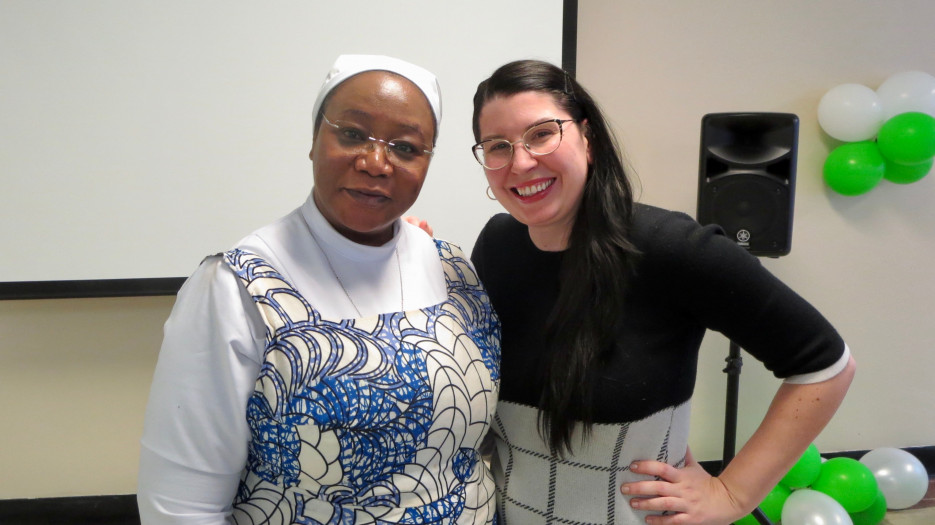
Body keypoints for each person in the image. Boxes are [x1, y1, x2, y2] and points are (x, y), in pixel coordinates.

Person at [468, 59, 856, 524]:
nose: (521, 161)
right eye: (498, 146)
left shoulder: (672, 247)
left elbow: (827, 367)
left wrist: (732, 495)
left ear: (587, 138)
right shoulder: (495, 247)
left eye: (541, 134)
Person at [137, 55, 501, 524]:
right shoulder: (236, 288)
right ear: (314, 139)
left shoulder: (454, 270)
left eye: (406, 147)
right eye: (352, 134)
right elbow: (181, 505)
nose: (375, 163)